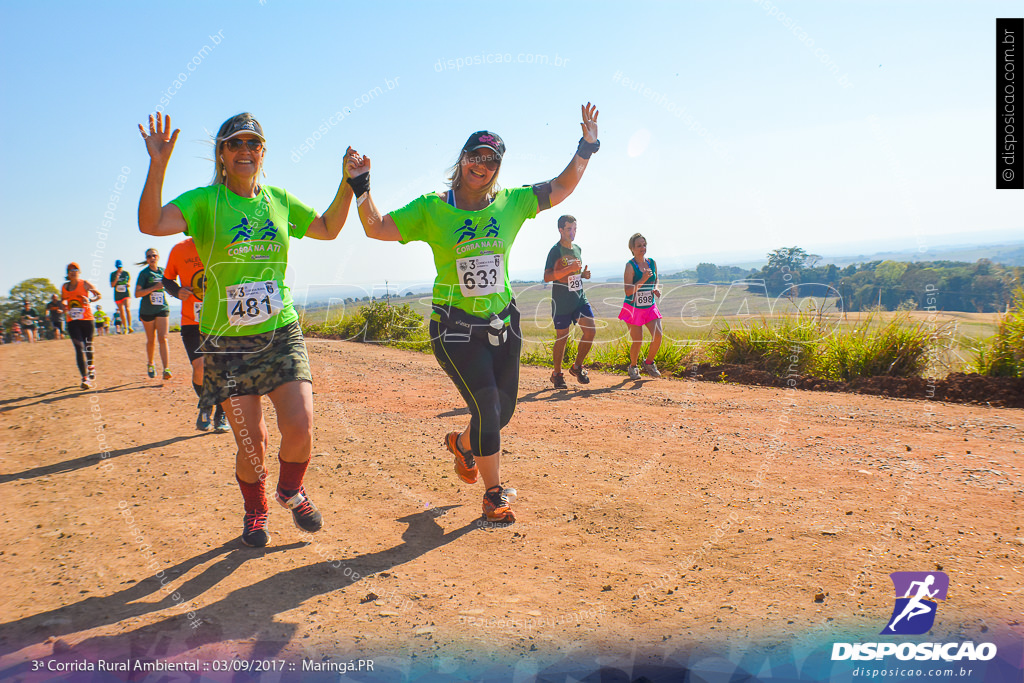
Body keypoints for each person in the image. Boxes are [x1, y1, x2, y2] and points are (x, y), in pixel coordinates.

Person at [346, 103, 601, 523]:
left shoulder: (512, 203)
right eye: (475, 157)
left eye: (490, 161)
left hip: (503, 321)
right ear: (462, 159)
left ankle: (464, 445)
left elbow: (561, 187)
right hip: (455, 327)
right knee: (487, 408)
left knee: (504, 410)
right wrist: (361, 186)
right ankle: (493, 495)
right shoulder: (432, 208)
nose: (481, 166)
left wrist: (587, 146)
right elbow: (376, 227)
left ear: (497, 169)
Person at [137, 112, 353, 547]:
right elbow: (151, 224)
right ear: (221, 153)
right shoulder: (204, 201)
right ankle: (256, 512)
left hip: (280, 331)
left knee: (302, 425)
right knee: (252, 440)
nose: (245, 151)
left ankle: (290, 490)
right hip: (227, 341)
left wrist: (348, 183)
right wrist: (157, 164)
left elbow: (328, 229)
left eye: (253, 144)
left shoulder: (279, 199)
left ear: (263, 152)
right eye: (235, 143)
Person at [162, 235, 229, 433]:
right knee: (199, 366)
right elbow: (167, 279)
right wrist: (176, 291)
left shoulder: (222, 242)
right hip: (192, 321)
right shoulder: (179, 249)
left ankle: (221, 414)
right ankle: (206, 404)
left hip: (221, 318)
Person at [543, 215, 596, 389]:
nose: (572, 232)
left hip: (579, 298)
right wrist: (571, 269)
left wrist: (582, 275)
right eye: (569, 229)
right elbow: (548, 276)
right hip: (562, 301)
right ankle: (557, 374)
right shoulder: (555, 251)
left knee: (591, 331)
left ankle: (576, 367)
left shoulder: (577, 248)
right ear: (560, 230)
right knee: (562, 337)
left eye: (575, 229)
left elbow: (572, 275)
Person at [618, 233, 663, 380]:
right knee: (638, 340)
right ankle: (633, 366)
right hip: (633, 308)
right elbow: (628, 290)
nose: (642, 248)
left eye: (644, 245)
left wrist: (655, 288)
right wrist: (643, 280)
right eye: (639, 246)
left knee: (658, 336)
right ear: (632, 248)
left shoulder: (651, 262)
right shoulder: (630, 266)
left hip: (649, 306)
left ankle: (649, 363)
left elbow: (655, 278)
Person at [61, 262, 101, 389]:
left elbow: (98, 295)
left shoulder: (84, 284)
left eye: (75, 269)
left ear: (79, 271)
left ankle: (91, 367)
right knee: (78, 347)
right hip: (72, 321)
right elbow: (63, 299)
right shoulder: (64, 287)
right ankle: (85, 378)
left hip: (87, 319)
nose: (73, 271)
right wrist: (63, 305)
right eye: (70, 270)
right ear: (67, 273)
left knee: (88, 346)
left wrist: (89, 300)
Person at [135, 248, 171, 379]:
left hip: (162, 308)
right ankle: (150, 363)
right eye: (149, 256)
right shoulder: (144, 274)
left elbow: (170, 286)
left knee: (163, 338)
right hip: (147, 310)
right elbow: (137, 293)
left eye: (154, 255)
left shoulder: (163, 271)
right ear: (146, 259)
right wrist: (153, 288)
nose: (152, 258)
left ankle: (166, 369)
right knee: (151, 340)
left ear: (158, 257)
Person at [110, 259, 133, 334]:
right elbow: (112, 285)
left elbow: (129, 281)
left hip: (126, 294)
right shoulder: (113, 274)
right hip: (118, 295)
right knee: (121, 311)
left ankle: (130, 326)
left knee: (127, 308)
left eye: (120, 267)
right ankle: (125, 327)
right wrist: (116, 278)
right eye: (118, 267)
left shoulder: (126, 273)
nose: (119, 268)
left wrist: (128, 284)